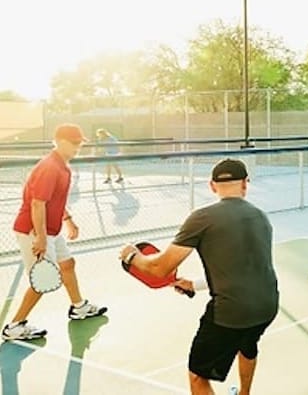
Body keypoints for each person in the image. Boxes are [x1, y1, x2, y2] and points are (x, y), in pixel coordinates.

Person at [119, 158, 279, 395]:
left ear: (212, 186)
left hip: (230, 312)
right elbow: (247, 268)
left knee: (197, 376)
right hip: (267, 306)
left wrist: (132, 256)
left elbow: (159, 268)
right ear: (246, 183)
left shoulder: (202, 217)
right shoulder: (260, 217)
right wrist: (194, 284)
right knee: (247, 346)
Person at [2, 123, 107, 341]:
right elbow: (37, 204)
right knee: (42, 280)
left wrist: (69, 220)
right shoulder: (50, 167)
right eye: (74, 143)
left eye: (80, 143)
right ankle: (14, 326)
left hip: (51, 229)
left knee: (67, 264)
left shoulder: (62, 166)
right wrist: (40, 238)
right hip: (34, 229)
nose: (78, 147)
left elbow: (53, 201)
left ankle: (78, 307)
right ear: (59, 141)